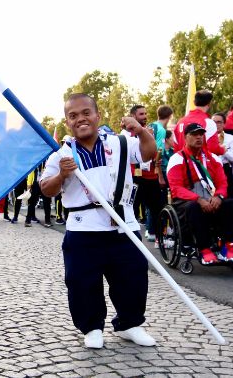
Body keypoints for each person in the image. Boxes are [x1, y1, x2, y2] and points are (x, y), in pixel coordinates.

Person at [40, 93, 157, 349]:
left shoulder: (120, 143)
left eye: (86, 113)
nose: (81, 119)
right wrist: (62, 174)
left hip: (123, 224)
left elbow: (148, 153)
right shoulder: (60, 154)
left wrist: (141, 130)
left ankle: (130, 324)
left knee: (132, 277)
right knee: (82, 281)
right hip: (83, 227)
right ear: (67, 121)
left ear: (97, 116)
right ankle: (92, 327)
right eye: (73, 116)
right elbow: (45, 188)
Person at [167, 123, 233, 265]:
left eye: (201, 134)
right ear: (185, 137)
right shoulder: (176, 158)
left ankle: (229, 247)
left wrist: (219, 196)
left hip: (211, 197)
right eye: (194, 134)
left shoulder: (213, 158)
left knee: (232, 204)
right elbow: (176, 188)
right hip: (187, 201)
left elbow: (222, 182)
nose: (199, 137)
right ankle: (204, 249)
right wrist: (199, 199)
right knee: (194, 207)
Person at [123, 105, 162, 242]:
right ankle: (129, 240)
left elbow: (155, 152)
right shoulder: (125, 135)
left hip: (150, 177)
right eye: (141, 114)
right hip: (134, 178)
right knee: (131, 208)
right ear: (133, 117)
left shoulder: (148, 131)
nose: (145, 116)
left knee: (157, 207)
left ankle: (158, 237)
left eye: (145, 113)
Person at [173, 90, 225, 156]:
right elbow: (213, 149)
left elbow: (176, 147)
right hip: (199, 163)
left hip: (182, 162)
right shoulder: (209, 122)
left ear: (194, 102)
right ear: (210, 103)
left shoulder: (180, 122)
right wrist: (222, 150)